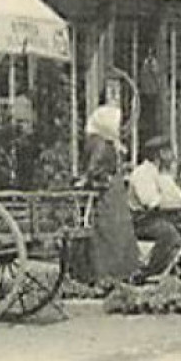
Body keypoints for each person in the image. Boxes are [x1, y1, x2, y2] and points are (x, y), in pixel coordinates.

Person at [129, 136, 181, 279]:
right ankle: (147, 273)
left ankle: (177, 265)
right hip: (144, 220)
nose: (173, 156)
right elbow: (151, 203)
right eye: (169, 151)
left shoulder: (164, 174)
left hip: (169, 217)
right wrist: (178, 205)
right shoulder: (142, 173)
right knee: (170, 235)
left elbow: (178, 198)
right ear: (159, 154)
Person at [79, 103, 139, 285]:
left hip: (114, 194)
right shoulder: (101, 144)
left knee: (117, 233)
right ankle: (110, 273)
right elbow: (94, 169)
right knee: (111, 234)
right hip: (109, 195)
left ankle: (118, 271)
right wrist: (103, 178)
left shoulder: (104, 141)